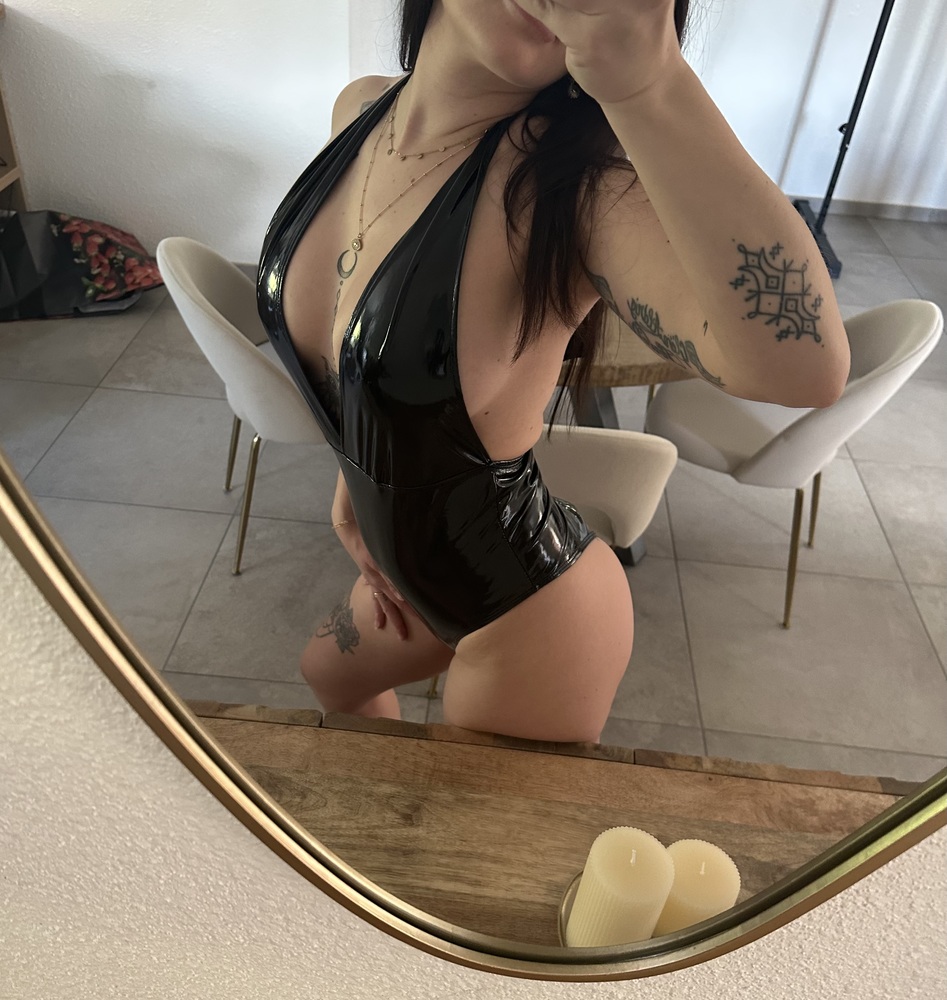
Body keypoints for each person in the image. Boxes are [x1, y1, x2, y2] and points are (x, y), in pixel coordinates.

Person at [256, 0, 850, 743]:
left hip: (534, 612)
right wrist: (356, 484)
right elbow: (358, 365)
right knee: (328, 678)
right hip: (407, 575)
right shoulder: (361, 111)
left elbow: (802, 371)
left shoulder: (581, 193)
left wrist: (651, 85)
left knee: (460, 821)